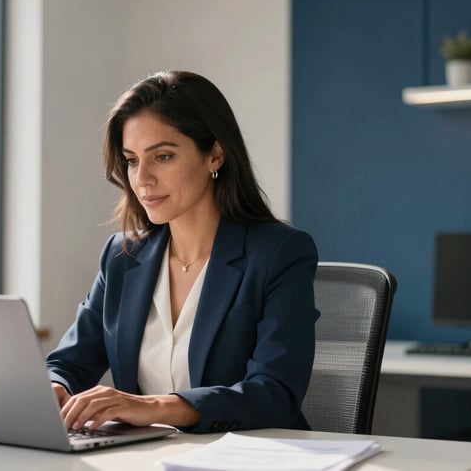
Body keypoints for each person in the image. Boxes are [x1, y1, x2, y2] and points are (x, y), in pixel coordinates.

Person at [46, 70, 319, 434]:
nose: (142, 178)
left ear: (215, 155)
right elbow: (68, 363)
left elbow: (274, 394)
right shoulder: (122, 256)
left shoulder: (279, 253)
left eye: (163, 156)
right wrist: (56, 389)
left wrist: (153, 407)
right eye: (131, 160)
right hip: (144, 459)